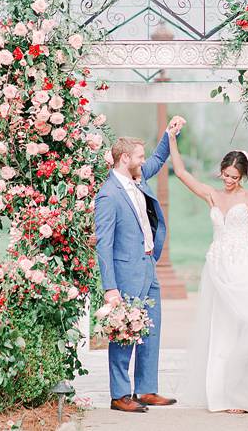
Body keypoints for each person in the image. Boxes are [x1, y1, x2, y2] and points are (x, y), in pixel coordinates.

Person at [167, 124, 248, 413]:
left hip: (244, 266)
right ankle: (221, 394)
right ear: (220, 171)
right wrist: (172, 140)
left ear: (244, 176)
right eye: (225, 175)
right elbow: (183, 174)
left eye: (234, 177)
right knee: (221, 329)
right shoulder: (212, 194)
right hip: (217, 268)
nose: (228, 181)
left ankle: (243, 394)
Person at [94, 116, 185, 413]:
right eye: (139, 157)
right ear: (124, 159)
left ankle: (145, 390)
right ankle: (120, 395)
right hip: (125, 272)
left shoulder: (137, 177)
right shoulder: (108, 195)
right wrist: (110, 288)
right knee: (125, 331)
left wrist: (169, 134)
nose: (143, 162)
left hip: (148, 266)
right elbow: (103, 245)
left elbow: (159, 158)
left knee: (151, 328)